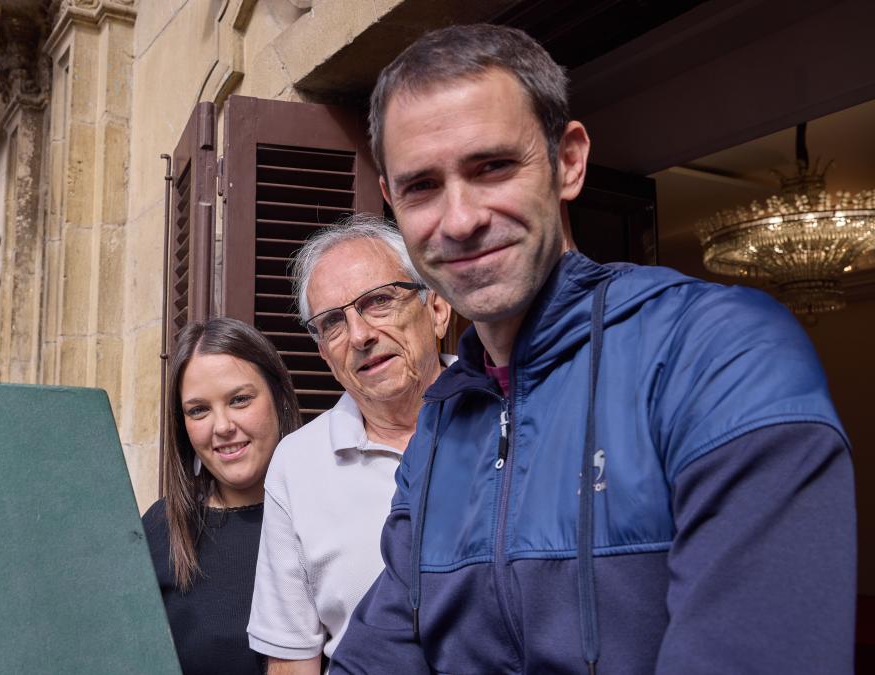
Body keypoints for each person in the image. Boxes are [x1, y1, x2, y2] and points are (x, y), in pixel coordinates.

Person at [331, 24, 855, 674]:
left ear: (568, 161)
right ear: (393, 203)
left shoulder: (720, 350)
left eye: (492, 166)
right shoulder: (443, 422)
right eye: (422, 187)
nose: (460, 219)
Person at [247, 215, 451, 673]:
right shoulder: (298, 465)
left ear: (436, 308)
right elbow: (291, 660)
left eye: (379, 301)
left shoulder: (507, 415)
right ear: (323, 353)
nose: (360, 335)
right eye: (333, 322)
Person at [142, 317, 302, 675]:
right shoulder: (159, 529)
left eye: (240, 400)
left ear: (279, 397)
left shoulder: (329, 512)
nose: (223, 426)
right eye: (199, 410)